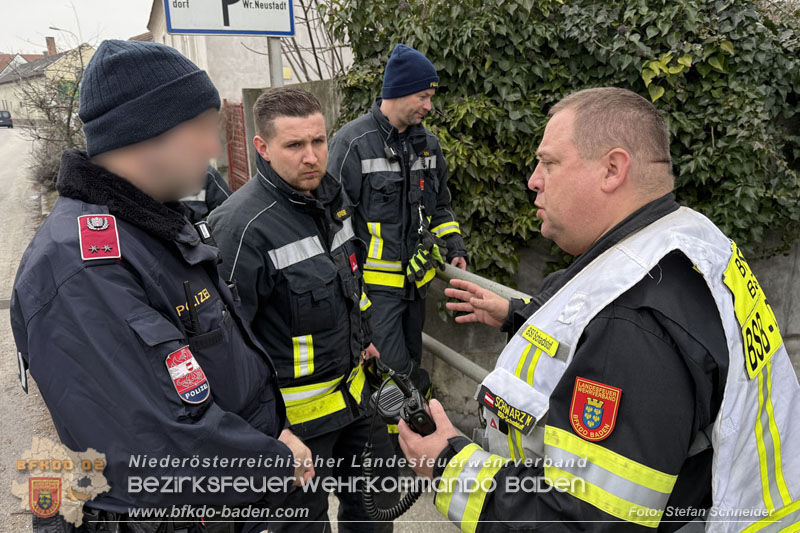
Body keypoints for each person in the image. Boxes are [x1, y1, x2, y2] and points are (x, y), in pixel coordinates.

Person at [397, 87, 800, 532]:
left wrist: (448, 465)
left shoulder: (632, 324)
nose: (533, 179)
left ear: (612, 169)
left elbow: (581, 522)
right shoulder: (684, 241)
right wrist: (519, 315)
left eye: (549, 162)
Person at [10, 40, 313, 531]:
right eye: (202, 129)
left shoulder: (151, 225)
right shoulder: (81, 265)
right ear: (148, 133)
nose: (215, 148)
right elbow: (156, 443)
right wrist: (276, 461)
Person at [208, 87, 398, 532]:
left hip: (358, 402)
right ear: (263, 148)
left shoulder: (334, 200)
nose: (311, 156)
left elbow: (352, 283)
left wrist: (366, 340)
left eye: (318, 141)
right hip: (292, 429)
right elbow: (224, 347)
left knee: (374, 515)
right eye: (294, 145)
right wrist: (266, 432)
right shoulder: (240, 227)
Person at [327, 44, 467, 391]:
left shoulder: (428, 145)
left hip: (415, 286)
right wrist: (351, 290)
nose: (429, 106)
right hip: (373, 293)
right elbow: (333, 222)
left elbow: (440, 205)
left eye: (431, 97)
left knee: (410, 365)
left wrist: (453, 243)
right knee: (391, 377)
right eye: (423, 96)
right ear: (399, 91)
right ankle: (395, 443)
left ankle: (411, 439)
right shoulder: (353, 143)